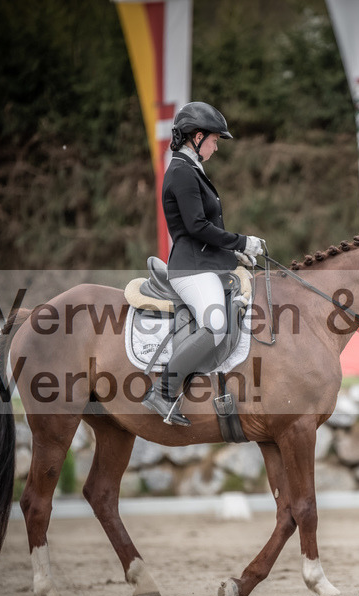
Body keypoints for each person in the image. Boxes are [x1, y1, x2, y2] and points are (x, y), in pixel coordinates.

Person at [142, 102, 264, 425]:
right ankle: (163, 390)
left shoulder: (191, 169)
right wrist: (241, 241)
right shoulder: (182, 172)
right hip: (191, 269)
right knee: (215, 325)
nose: (215, 146)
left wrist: (232, 254)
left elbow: (205, 231)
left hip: (205, 262)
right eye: (214, 140)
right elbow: (197, 227)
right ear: (197, 137)